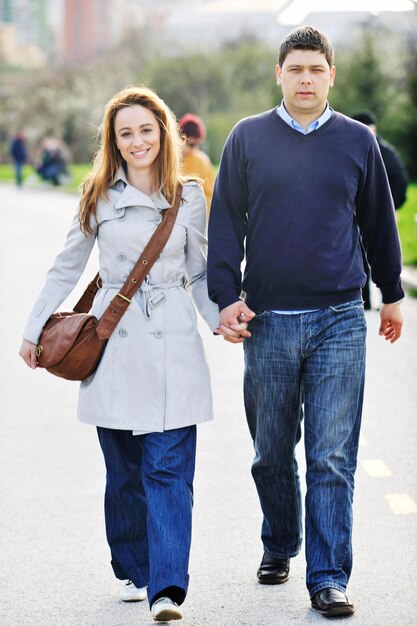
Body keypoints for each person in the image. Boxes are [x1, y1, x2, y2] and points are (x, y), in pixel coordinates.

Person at [207, 26, 404, 619]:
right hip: (267, 319)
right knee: (271, 451)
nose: (306, 79)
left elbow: (378, 222)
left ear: (331, 76)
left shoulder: (355, 141)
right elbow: (224, 223)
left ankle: (328, 576)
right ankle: (280, 541)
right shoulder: (247, 138)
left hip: (340, 317)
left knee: (331, 456)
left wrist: (391, 294)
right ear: (279, 74)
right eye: (295, 69)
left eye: (316, 69)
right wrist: (224, 298)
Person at [19, 86, 223, 622]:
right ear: (113, 140)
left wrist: (220, 318)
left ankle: (167, 588)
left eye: (145, 130)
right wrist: (34, 328)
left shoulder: (190, 195)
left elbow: (200, 272)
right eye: (125, 133)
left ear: (164, 133)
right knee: (125, 471)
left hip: (174, 337)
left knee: (169, 469)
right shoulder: (98, 196)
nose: (137, 142)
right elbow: (66, 266)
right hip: (113, 341)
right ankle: (134, 567)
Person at [351, 111, 409, 309]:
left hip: (380, 211)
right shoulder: (346, 148)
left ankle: (386, 296)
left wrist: (390, 207)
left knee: (381, 250)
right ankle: (364, 299)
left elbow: (400, 182)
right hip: (351, 213)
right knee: (358, 255)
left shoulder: (386, 152)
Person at [179, 113, 215, 214]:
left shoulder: (201, 161)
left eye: (197, 145)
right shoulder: (165, 159)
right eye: (191, 145)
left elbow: (209, 196)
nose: (194, 149)